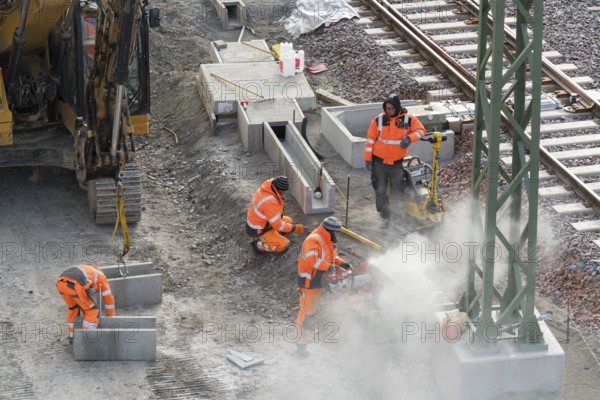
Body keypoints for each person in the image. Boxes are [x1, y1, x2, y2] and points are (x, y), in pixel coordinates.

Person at [364, 94, 427, 227]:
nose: (389, 111)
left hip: (396, 164)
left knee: (397, 192)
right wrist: (368, 159)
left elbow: (421, 131)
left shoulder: (408, 120)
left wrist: (409, 139)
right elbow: (370, 141)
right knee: (380, 191)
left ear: (397, 107)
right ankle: (385, 218)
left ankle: (398, 219)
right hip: (379, 163)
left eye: (391, 108)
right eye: (387, 108)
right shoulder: (378, 120)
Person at [295, 216, 351, 356]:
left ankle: (329, 339)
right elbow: (312, 261)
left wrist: (340, 263)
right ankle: (300, 344)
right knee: (306, 314)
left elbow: (331, 258)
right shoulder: (313, 240)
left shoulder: (326, 240)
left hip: (319, 281)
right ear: (330, 231)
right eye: (336, 232)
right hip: (309, 283)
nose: (337, 234)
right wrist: (330, 267)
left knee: (312, 312)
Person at [56, 264, 115, 343]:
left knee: (73, 308)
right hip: (76, 285)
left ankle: (71, 336)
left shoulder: (89, 270)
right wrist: (110, 318)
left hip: (60, 283)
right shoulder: (101, 277)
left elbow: (85, 302)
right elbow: (109, 300)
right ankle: (86, 339)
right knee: (93, 311)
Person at [246, 176, 305, 254]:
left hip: (263, 223)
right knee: (283, 245)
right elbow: (277, 225)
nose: (284, 193)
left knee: (288, 220)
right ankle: (258, 244)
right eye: (283, 191)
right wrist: (294, 228)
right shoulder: (269, 201)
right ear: (279, 189)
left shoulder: (269, 187)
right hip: (259, 230)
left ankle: (274, 236)